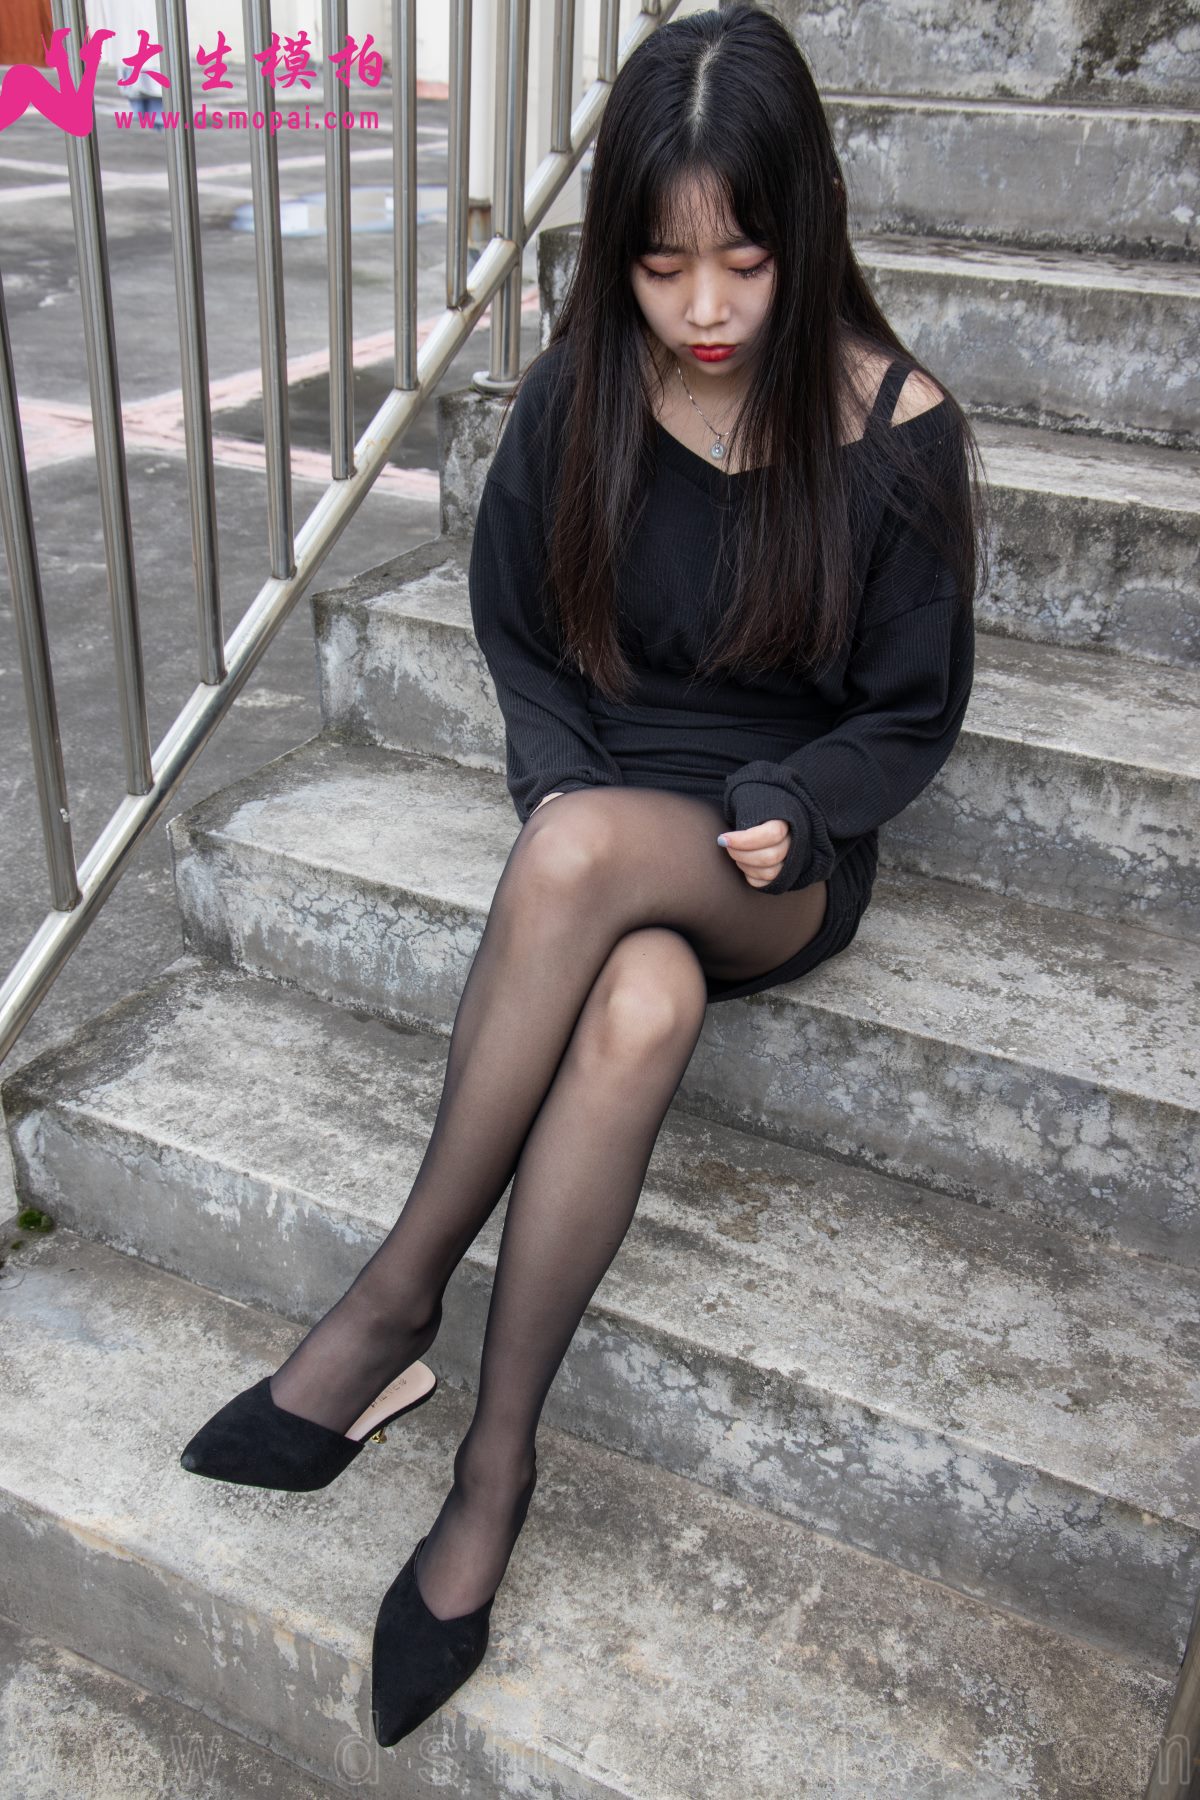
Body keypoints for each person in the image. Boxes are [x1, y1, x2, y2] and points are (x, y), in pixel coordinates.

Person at [178, 0, 980, 1751]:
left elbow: (912, 714)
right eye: (663, 266)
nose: (705, 310)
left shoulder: (900, 428)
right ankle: (496, 1460)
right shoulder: (585, 390)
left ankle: (391, 1301)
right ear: (617, 250)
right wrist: (561, 778)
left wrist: (804, 799)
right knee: (635, 1000)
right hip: (604, 817)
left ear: (811, 227)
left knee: (594, 860)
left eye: (745, 262)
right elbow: (522, 635)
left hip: (773, 855)